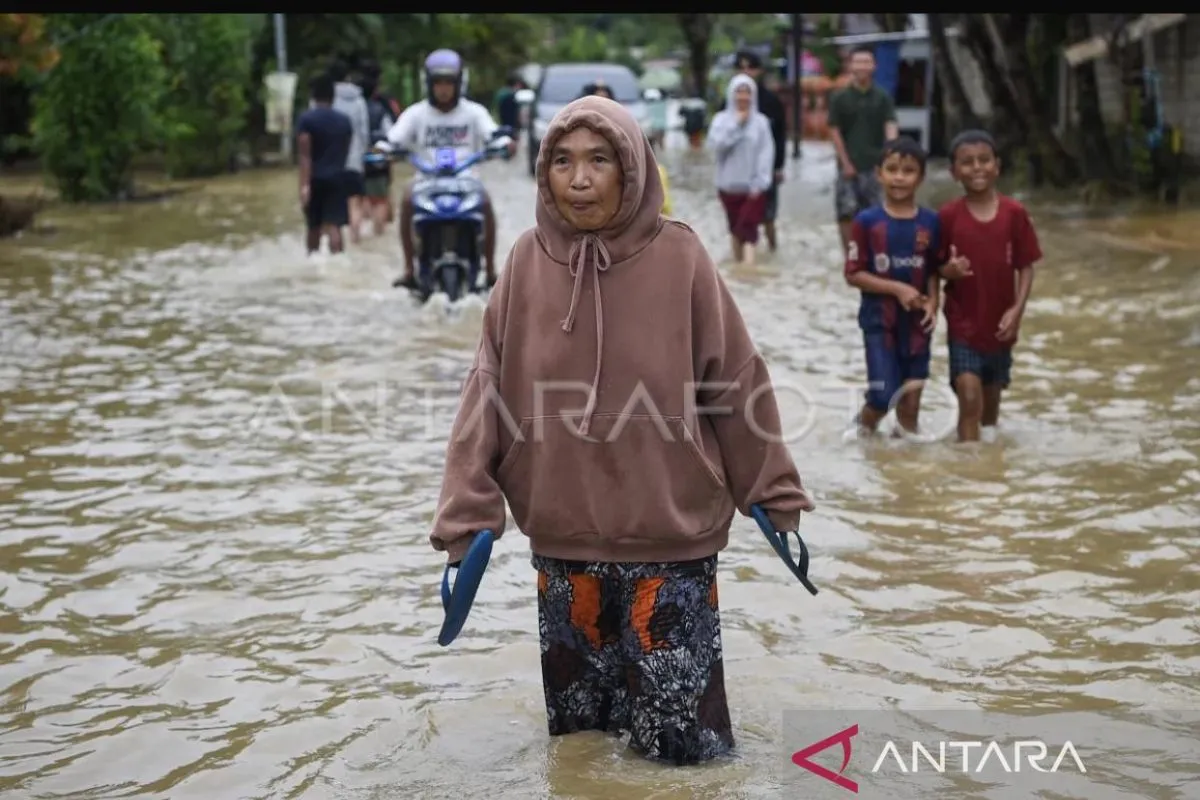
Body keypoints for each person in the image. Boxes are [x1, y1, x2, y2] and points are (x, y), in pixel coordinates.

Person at [428, 96, 813, 765]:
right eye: (563, 162)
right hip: (563, 546)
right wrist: (465, 520)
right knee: (582, 751)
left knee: (683, 757)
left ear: (632, 170)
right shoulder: (524, 262)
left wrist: (775, 495)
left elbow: (738, 383)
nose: (579, 180)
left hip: (671, 546)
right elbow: (484, 391)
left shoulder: (682, 257)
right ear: (544, 173)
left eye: (599, 160)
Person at [937, 129, 1042, 443]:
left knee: (990, 411)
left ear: (997, 165)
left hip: (1000, 326)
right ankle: (969, 469)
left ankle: (988, 471)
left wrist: (1017, 310)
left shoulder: (1015, 214)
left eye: (984, 160)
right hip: (962, 324)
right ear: (954, 172)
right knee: (969, 397)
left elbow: (1026, 266)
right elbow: (934, 268)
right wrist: (948, 271)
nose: (977, 167)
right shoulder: (947, 217)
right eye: (967, 162)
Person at [386, 49, 516, 290]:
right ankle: (408, 269)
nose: (443, 89)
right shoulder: (416, 113)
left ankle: (490, 270)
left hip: (466, 179)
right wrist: (383, 148)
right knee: (406, 200)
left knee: (486, 203)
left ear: (458, 84)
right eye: (438, 83)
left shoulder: (474, 112)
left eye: (449, 83)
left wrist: (504, 145)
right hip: (426, 179)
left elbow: (492, 134)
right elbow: (394, 138)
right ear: (429, 84)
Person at [843, 136, 941, 438]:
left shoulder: (931, 222)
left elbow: (934, 270)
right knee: (883, 396)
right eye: (892, 168)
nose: (899, 176)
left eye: (908, 170)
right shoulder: (866, 222)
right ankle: (861, 430)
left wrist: (934, 303)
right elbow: (853, 273)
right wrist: (898, 289)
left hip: (917, 325)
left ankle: (903, 473)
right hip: (879, 322)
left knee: (910, 406)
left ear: (921, 177)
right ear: (879, 173)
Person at [829, 46, 899, 254]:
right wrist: (846, 163)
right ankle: (849, 255)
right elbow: (834, 132)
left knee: (877, 213)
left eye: (866, 62)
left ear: (874, 66)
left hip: (875, 165)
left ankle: (874, 254)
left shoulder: (882, 97)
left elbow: (890, 125)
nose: (862, 67)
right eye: (857, 62)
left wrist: (891, 154)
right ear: (850, 66)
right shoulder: (840, 98)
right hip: (848, 165)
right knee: (846, 213)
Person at [719, 51, 787, 252]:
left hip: (765, 169)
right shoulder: (727, 105)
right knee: (739, 222)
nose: (746, 72)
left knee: (768, 216)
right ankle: (741, 258)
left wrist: (778, 166)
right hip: (736, 175)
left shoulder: (771, 102)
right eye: (741, 68)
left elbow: (779, 137)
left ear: (759, 71)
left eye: (750, 68)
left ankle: (773, 249)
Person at [707, 74, 775, 267]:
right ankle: (737, 268)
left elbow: (766, 154)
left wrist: (761, 183)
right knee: (735, 230)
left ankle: (748, 269)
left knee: (749, 229)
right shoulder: (721, 121)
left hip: (753, 188)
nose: (743, 97)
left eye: (747, 93)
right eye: (739, 92)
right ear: (731, 95)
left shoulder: (761, 123)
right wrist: (737, 125)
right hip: (727, 187)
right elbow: (716, 146)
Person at [296, 74, 353, 255]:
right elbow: (346, 148)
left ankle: (312, 258)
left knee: (314, 225)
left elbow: (305, 155)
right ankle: (338, 259)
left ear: (313, 96)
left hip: (315, 178)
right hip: (338, 177)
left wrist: (304, 185)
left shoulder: (306, 120)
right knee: (335, 224)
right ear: (333, 97)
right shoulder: (344, 121)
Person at [328, 60, 370, 245]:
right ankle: (356, 240)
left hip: (330, 162)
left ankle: (335, 244)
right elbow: (363, 131)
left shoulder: (324, 98)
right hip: (354, 161)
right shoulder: (359, 100)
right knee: (354, 203)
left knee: (332, 206)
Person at [359, 65, 401, 237]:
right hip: (380, 154)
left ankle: (367, 229)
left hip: (358, 156)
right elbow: (395, 128)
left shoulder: (355, 106)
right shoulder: (386, 103)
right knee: (382, 195)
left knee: (363, 195)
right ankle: (380, 232)